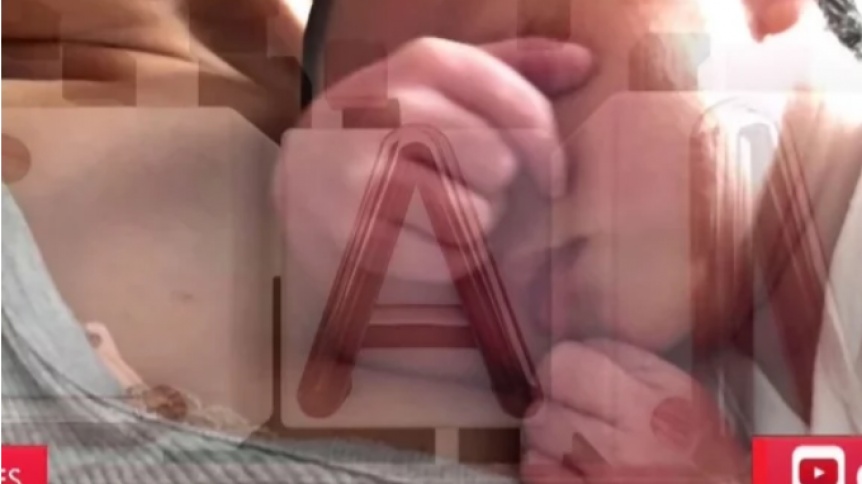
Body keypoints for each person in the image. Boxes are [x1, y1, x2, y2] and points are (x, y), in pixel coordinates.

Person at [277, 0, 862, 481]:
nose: (486, 200)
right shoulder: (684, 363)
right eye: (432, 182)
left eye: (528, 81)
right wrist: (327, 244)